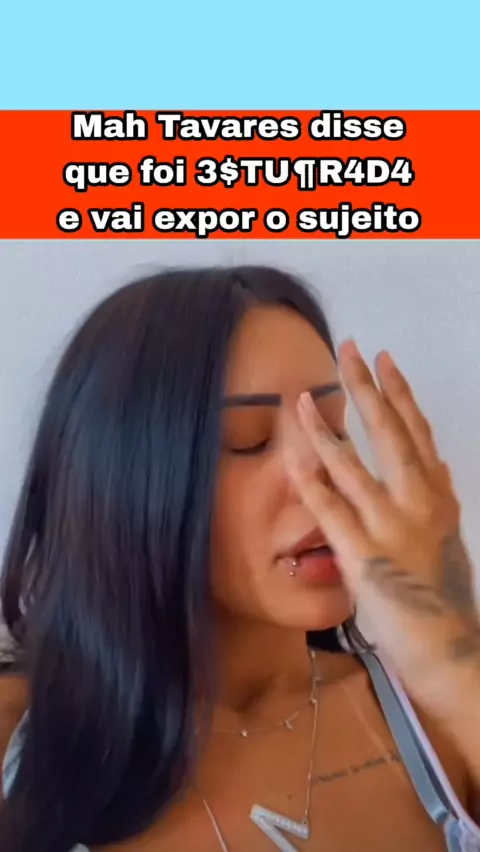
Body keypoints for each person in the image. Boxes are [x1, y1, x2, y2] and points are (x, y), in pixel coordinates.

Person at [1, 265, 480, 852]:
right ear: (128, 481)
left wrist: (453, 657)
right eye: (249, 440)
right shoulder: (23, 740)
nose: (323, 475)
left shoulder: (440, 714)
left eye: (333, 430)